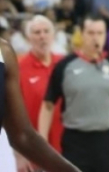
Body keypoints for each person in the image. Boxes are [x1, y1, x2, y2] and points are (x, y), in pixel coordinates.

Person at [40, 16, 109, 172]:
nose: (96, 38)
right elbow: (48, 105)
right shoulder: (65, 66)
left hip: (107, 141)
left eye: (100, 33)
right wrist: (42, 142)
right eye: (91, 33)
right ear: (82, 34)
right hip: (76, 142)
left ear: (106, 35)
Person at [16, 16, 64, 172]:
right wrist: (19, 155)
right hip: (35, 152)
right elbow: (12, 114)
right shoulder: (19, 68)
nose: (42, 36)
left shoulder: (64, 64)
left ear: (53, 35)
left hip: (66, 147)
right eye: (37, 32)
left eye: (46, 31)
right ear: (28, 38)